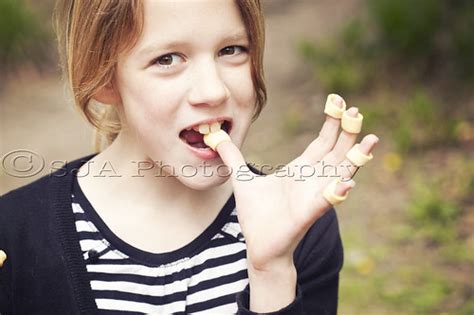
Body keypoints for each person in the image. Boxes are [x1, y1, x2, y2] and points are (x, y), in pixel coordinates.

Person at [0, 0, 379, 314]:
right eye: (167, 59)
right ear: (104, 79)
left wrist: (272, 271)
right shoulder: (14, 236)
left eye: (231, 50)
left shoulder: (303, 229)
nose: (213, 91)